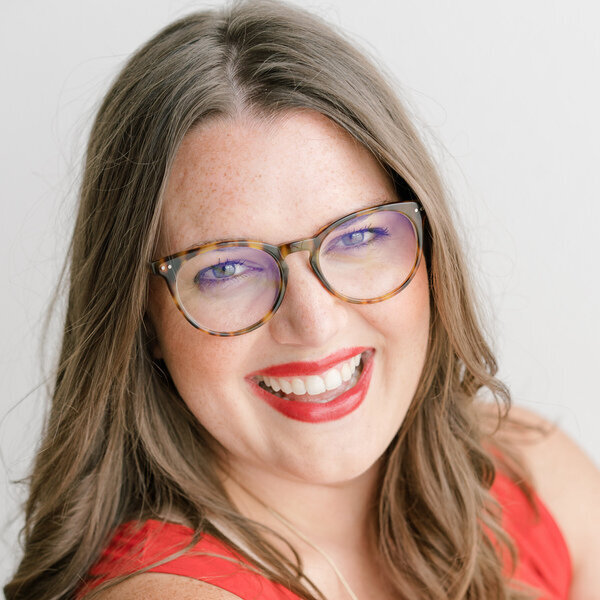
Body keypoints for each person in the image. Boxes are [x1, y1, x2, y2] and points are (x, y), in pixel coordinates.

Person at [4, 1, 599, 599]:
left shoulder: (535, 477)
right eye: (228, 268)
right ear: (144, 321)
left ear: (430, 253)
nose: (312, 322)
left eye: (359, 236)